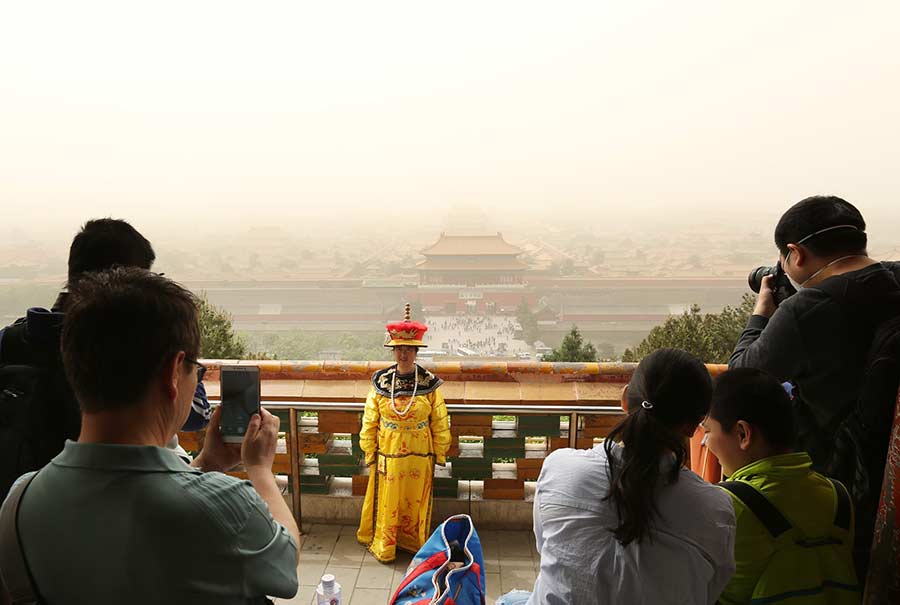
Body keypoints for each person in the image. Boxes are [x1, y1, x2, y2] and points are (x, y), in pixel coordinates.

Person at [0, 268, 299, 604]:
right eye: (195, 371)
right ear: (174, 372)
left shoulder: (19, 503)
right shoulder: (225, 505)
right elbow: (285, 566)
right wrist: (259, 469)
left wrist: (210, 463)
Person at [728, 195, 900, 572]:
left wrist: (761, 315)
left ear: (796, 253)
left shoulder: (807, 310)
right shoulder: (895, 279)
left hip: (840, 481)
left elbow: (742, 376)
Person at [498, 348, 736, 605]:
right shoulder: (715, 510)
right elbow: (710, 590)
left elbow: (546, 548)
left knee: (510, 599)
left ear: (625, 399)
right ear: (694, 426)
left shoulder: (561, 468)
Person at [0, 218, 210, 498]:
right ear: (122, 281)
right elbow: (196, 415)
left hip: (29, 499)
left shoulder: (12, 340)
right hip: (117, 500)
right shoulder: (128, 347)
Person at [703, 368, 859, 605]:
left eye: (708, 431)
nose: (705, 442)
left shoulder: (730, 506)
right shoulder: (838, 497)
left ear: (743, 433)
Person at [357, 304, 451, 563]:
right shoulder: (381, 382)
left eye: (409, 349)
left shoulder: (429, 383)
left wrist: (440, 451)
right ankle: (386, 544)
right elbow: (370, 419)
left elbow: (439, 420)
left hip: (420, 455)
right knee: (389, 500)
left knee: (414, 501)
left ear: (416, 350)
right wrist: (369, 449)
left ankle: (412, 543)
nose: (404, 354)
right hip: (388, 452)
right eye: (399, 348)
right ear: (393, 350)